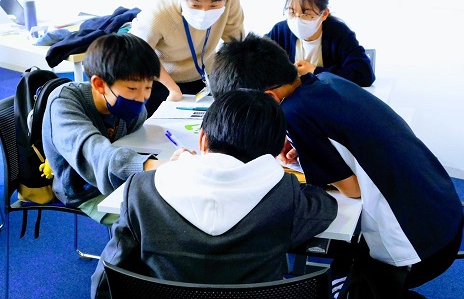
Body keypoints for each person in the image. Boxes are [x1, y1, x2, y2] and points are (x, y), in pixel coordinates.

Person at [208, 32, 463, 299]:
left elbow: (352, 189)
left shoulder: (294, 113)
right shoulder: (325, 81)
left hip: (418, 246)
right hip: (444, 210)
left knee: (340, 285)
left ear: (269, 98)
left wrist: (312, 160)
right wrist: (309, 149)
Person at [90, 89, 338, 299]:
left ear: (202, 139)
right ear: (273, 154)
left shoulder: (141, 190)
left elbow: (110, 272)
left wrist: (183, 165)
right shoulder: (285, 196)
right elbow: (325, 206)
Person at [42, 32, 165, 225]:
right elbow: (95, 151)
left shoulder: (124, 103)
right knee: (156, 220)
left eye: (148, 88)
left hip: (120, 176)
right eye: (132, 89)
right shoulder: (64, 102)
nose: (142, 98)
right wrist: (148, 165)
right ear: (99, 84)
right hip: (83, 189)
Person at [130, 0, 245, 117]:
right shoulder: (160, 11)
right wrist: (172, 88)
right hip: (161, 80)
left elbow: (235, 39)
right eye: (196, 5)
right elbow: (139, 52)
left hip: (203, 76)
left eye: (214, 5)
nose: (204, 11)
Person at [266, 0, 375, 87]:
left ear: (324, 14)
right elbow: (256, 60)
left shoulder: (339, 33)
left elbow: (364, 75)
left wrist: (315, 71)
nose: (297, 20)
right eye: (291, 12)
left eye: (306, 14)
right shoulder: (280, 31)